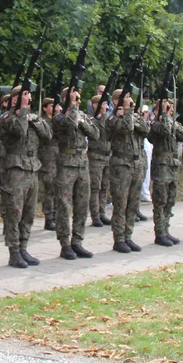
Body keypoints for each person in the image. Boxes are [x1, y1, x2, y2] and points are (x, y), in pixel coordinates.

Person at [0, 87, 51, 268]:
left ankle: (24, 247)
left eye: (29, 94)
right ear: (14, 100)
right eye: (24, 95)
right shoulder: (7, 118)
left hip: (32, 167)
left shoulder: (34, 117)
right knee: (14, 212)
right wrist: (23, 113)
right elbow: (19, 131)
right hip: (15, 169)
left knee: (28, 212)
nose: (28, 97)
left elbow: (48, 135)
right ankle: (13, 251)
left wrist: (33, 119)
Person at [52, 87, 100, 259]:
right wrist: (71, 106)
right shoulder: (59, 118)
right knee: (64, 206)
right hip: (66, 164)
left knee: (82, 204)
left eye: (79, 99)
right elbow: (70, 122)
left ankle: (77, 241)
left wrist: (82, 121)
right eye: (76, 99)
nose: (79, 101)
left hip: (82, 163)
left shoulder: (81, 116)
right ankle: (65, 244)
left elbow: (95, 134)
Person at [107, 89, 150, 251]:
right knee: (121, 203)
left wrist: (130, 114)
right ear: (118, 101)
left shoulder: (132, 115)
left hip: (136, 163)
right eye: (127, 97)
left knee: (133, 203)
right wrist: (128, 114)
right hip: (121, 164)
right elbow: (126, 128)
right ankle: (119, 239)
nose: (130, 100)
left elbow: (146, 129)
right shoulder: (112, 118)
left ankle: (128, 235)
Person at [148, 98, 183, 246]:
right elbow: (163, 131)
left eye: (170, 108)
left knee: (170, 199)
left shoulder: (171, 123)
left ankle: (165, 229)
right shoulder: (156, 125)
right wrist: (163, 115)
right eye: (166, 108)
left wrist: (170, 119)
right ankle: (160, 233)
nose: (170, 110)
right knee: (160, 200)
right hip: (161, 165)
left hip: (173, 165)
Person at [87, 95, 111, 227]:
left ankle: (102, 213)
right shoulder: (92, 120)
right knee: (95, 187)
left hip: (107, 156)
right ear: (95, 105)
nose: (106, 107)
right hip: (96, 156)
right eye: (103, 104)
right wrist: (101, 116)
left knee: (104, 187)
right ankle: (95, 215)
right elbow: (97, 132)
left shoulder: (107, 119)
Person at [37, 98, 59, 232]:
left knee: (58, 188)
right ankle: (49, 217)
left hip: (59, 158)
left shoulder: (59, 120)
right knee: (50, 188)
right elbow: (48, 136)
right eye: (52, 106)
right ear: (45, 108)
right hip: (48, 158)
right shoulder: (43, 121)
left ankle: (56, 215)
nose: (55, 108)